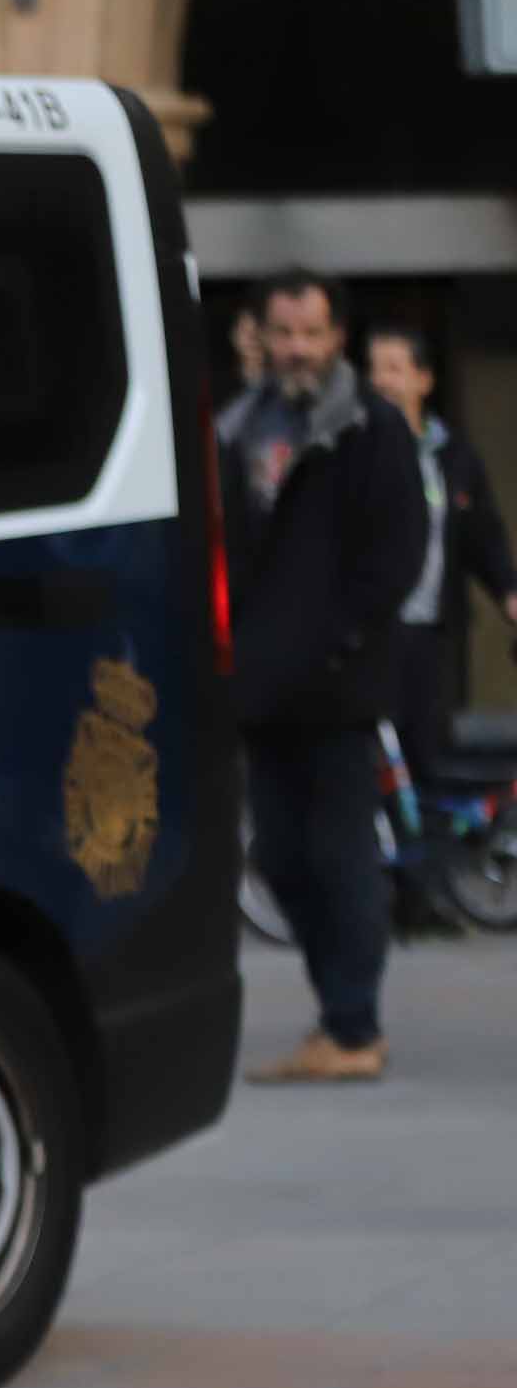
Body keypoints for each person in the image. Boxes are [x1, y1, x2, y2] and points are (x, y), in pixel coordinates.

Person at [217, 274, 426, 1083]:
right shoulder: (239, 428)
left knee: (341, 856)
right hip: (263, 690)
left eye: (311, 333)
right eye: (284, 333)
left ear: (337, 337)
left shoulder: (371, 429)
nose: (297, 349)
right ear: (262, 336)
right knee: (279, 855)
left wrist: (338, 642)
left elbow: (398, 556)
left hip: (340, 687)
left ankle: (352, 1025)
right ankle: (340, 1013)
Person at [358, 325, 517, 796]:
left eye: (394, 369)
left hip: (432, 631)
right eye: (374, 370)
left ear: (423, 380)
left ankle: (428, 857)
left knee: (427, 754)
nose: (382, 381)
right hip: (372, 633)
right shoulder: (354, 450)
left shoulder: (452, 454)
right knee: (374, 760)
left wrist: (509, 593)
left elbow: (482, 536)